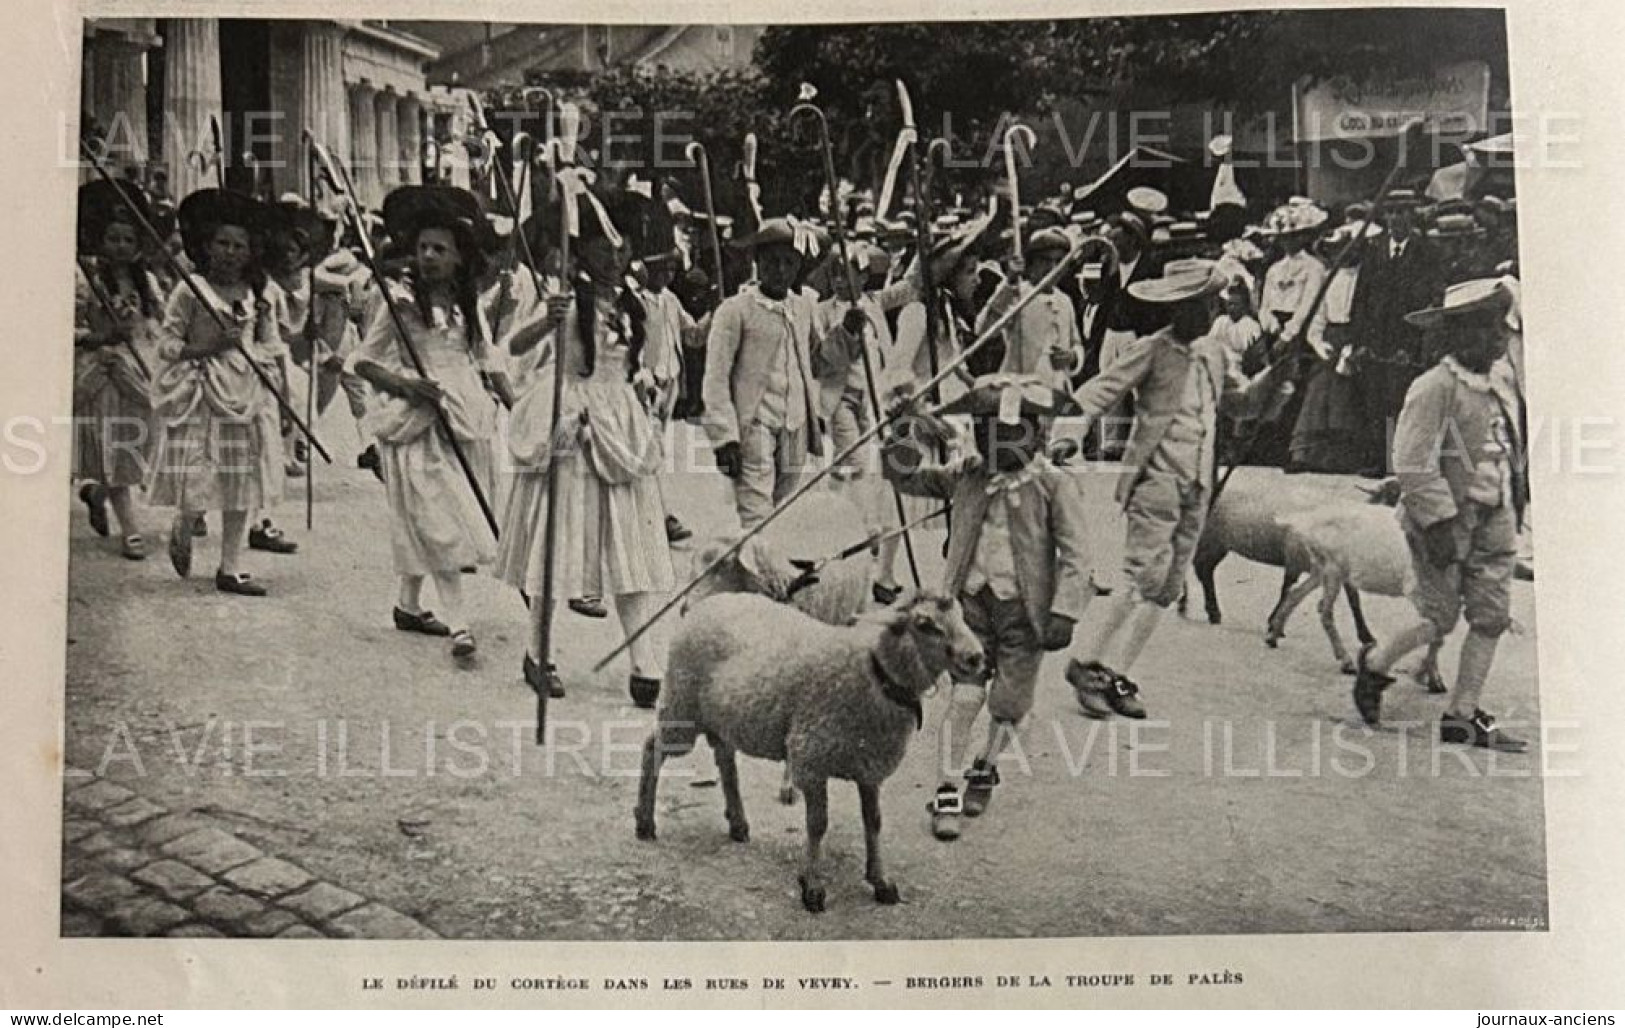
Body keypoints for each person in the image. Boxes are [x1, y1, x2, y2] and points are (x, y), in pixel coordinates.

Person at [1058, 259, 1285, 718]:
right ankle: (1085, 662)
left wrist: (1277, 378)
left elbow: (1241, 404)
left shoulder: (1216, 354)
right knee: (1139, 575)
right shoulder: (1153, 350)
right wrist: (1069, 432)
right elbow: (1100, 390)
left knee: (1167, 586)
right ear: (1178, 309)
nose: (1208, 312)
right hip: (1156, 477)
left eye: (1210, 304)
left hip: (1199, 481)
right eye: (1200, 305)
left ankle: (1118, 672)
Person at [882, 375, 1091, 839]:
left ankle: (986, 765)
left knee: (1009, 704)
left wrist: (1066, 611)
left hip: (1025, 614)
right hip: (969, 609)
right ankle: (947, 789)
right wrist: (902, 432)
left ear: (1038, 434)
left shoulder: (1054, 487)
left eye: (1013, 432)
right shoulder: (968, 476)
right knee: (965, 696)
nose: (999, 443)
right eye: (988, 431)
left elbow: (1078, 555)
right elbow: (907, 478)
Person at [497, 188, 676, 709]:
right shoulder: (563, 301)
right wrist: (545, 321)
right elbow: (513, 348)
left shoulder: (635, 305)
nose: (615, 257)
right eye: (603, 247)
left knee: (629, 543)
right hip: (572, 423)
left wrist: (647, 389)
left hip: (620, 426)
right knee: (557, 540)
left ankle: (645, 660)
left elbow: (650, 365)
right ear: (581, 252)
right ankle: (538, 652)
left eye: (621, 250)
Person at [1352, 279, 1528, 751]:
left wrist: (1516, 497)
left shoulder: (1501, 384)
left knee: (1491, 615)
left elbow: (1510, 446)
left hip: (1497, 513)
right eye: (1488, 331)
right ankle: (1375, 666)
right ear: (1458, 335)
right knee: (1439, 617)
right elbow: (1413, 460)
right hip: (1449, 520)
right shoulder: (1435, 388)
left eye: (1501, 330)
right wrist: (1438, 522)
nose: (1498, 341)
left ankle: (1463, 714)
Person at [348, 185, 513, 660]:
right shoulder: (397, 302)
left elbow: (487, 359)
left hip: (464, 417)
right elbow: (362, 361)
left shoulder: (469, 305)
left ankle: (407, 604)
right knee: (437, 518)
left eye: (441, 249)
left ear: (461, 258)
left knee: (437, 517)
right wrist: (405, 386)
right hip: (416, 420)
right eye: (423, 248)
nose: (429, 256)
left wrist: (517, 404)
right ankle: (460, 625)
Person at [147, 188, 287, 595]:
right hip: (204, 388)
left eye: (238, 245)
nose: (229, 252)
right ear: (206, 247)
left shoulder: (261, 292)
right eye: (221, 243)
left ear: (250, 251)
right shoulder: (191, 290)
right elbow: (167, 344)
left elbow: (271, 343)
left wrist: (274, 379)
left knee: (243, 477)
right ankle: (186, 520)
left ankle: (231, 566)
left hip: (248, 389)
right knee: (201, 470)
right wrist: (210, 347)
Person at [701, 217, 827, 529]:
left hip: (794, 422)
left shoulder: (804, 308)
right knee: (756, 509)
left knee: (784, 506)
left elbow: (821, 360)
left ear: (798, 267)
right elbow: (716, 377)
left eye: (788, 263)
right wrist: (724, 437)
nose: (780, 271)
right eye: (771, 262)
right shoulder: (735, 310)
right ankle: (758, 573)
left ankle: (776, 567)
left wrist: (850, 335)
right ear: (757, 262)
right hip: (755, 421)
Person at [73, 181, 161, 560]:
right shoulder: (84, 279)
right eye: (113, 238)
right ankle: (130, 528)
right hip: (105, 369)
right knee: (116, 446)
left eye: (128, 238)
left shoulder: (149, 281)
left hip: (141, 367)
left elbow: (157, 324)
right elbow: (68, 326)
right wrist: (100, 336)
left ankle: (98, 493)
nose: (121, 245)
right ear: (100, 241)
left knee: (145, 441)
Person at [1349, 189, 1443, 473]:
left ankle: (1402, 463)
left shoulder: (1426, 251)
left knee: (1403, 402)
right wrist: (1359, 341)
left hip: (1407, 337)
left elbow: (1431, 300)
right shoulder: (1374, 248)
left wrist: (1414, 345)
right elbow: (1361, 298)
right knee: (1374, 400)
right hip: (1376, 336)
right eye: (1391, 212)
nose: (1396, 218)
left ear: (1412, 215)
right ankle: (1377, 461)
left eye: (1402, 212)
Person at [1287, 218, 1380, 473]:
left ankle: (1343, 457)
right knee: (1319, 386)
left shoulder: (1368, 277)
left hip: (1355, 337)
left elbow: (1370, 314)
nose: (1345, 252)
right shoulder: (1328, 278)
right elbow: (1317, 318)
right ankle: (1307, 455)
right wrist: (1318, 343)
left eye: (1350, 247)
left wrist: (1354, 344)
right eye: (1340, 248)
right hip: (1330, 338)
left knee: (1346, 391)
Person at [976, 227, 1081, 391]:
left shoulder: (1065, 301)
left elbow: (1076, 343)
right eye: (1045, 260)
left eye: (1058, 261)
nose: (1052, 267)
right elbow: (984, 329)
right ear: (1031, 263)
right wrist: (1009, 283)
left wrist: (1072, 357)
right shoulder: (1018, 295)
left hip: (1058, 391)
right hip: (1021, 392)